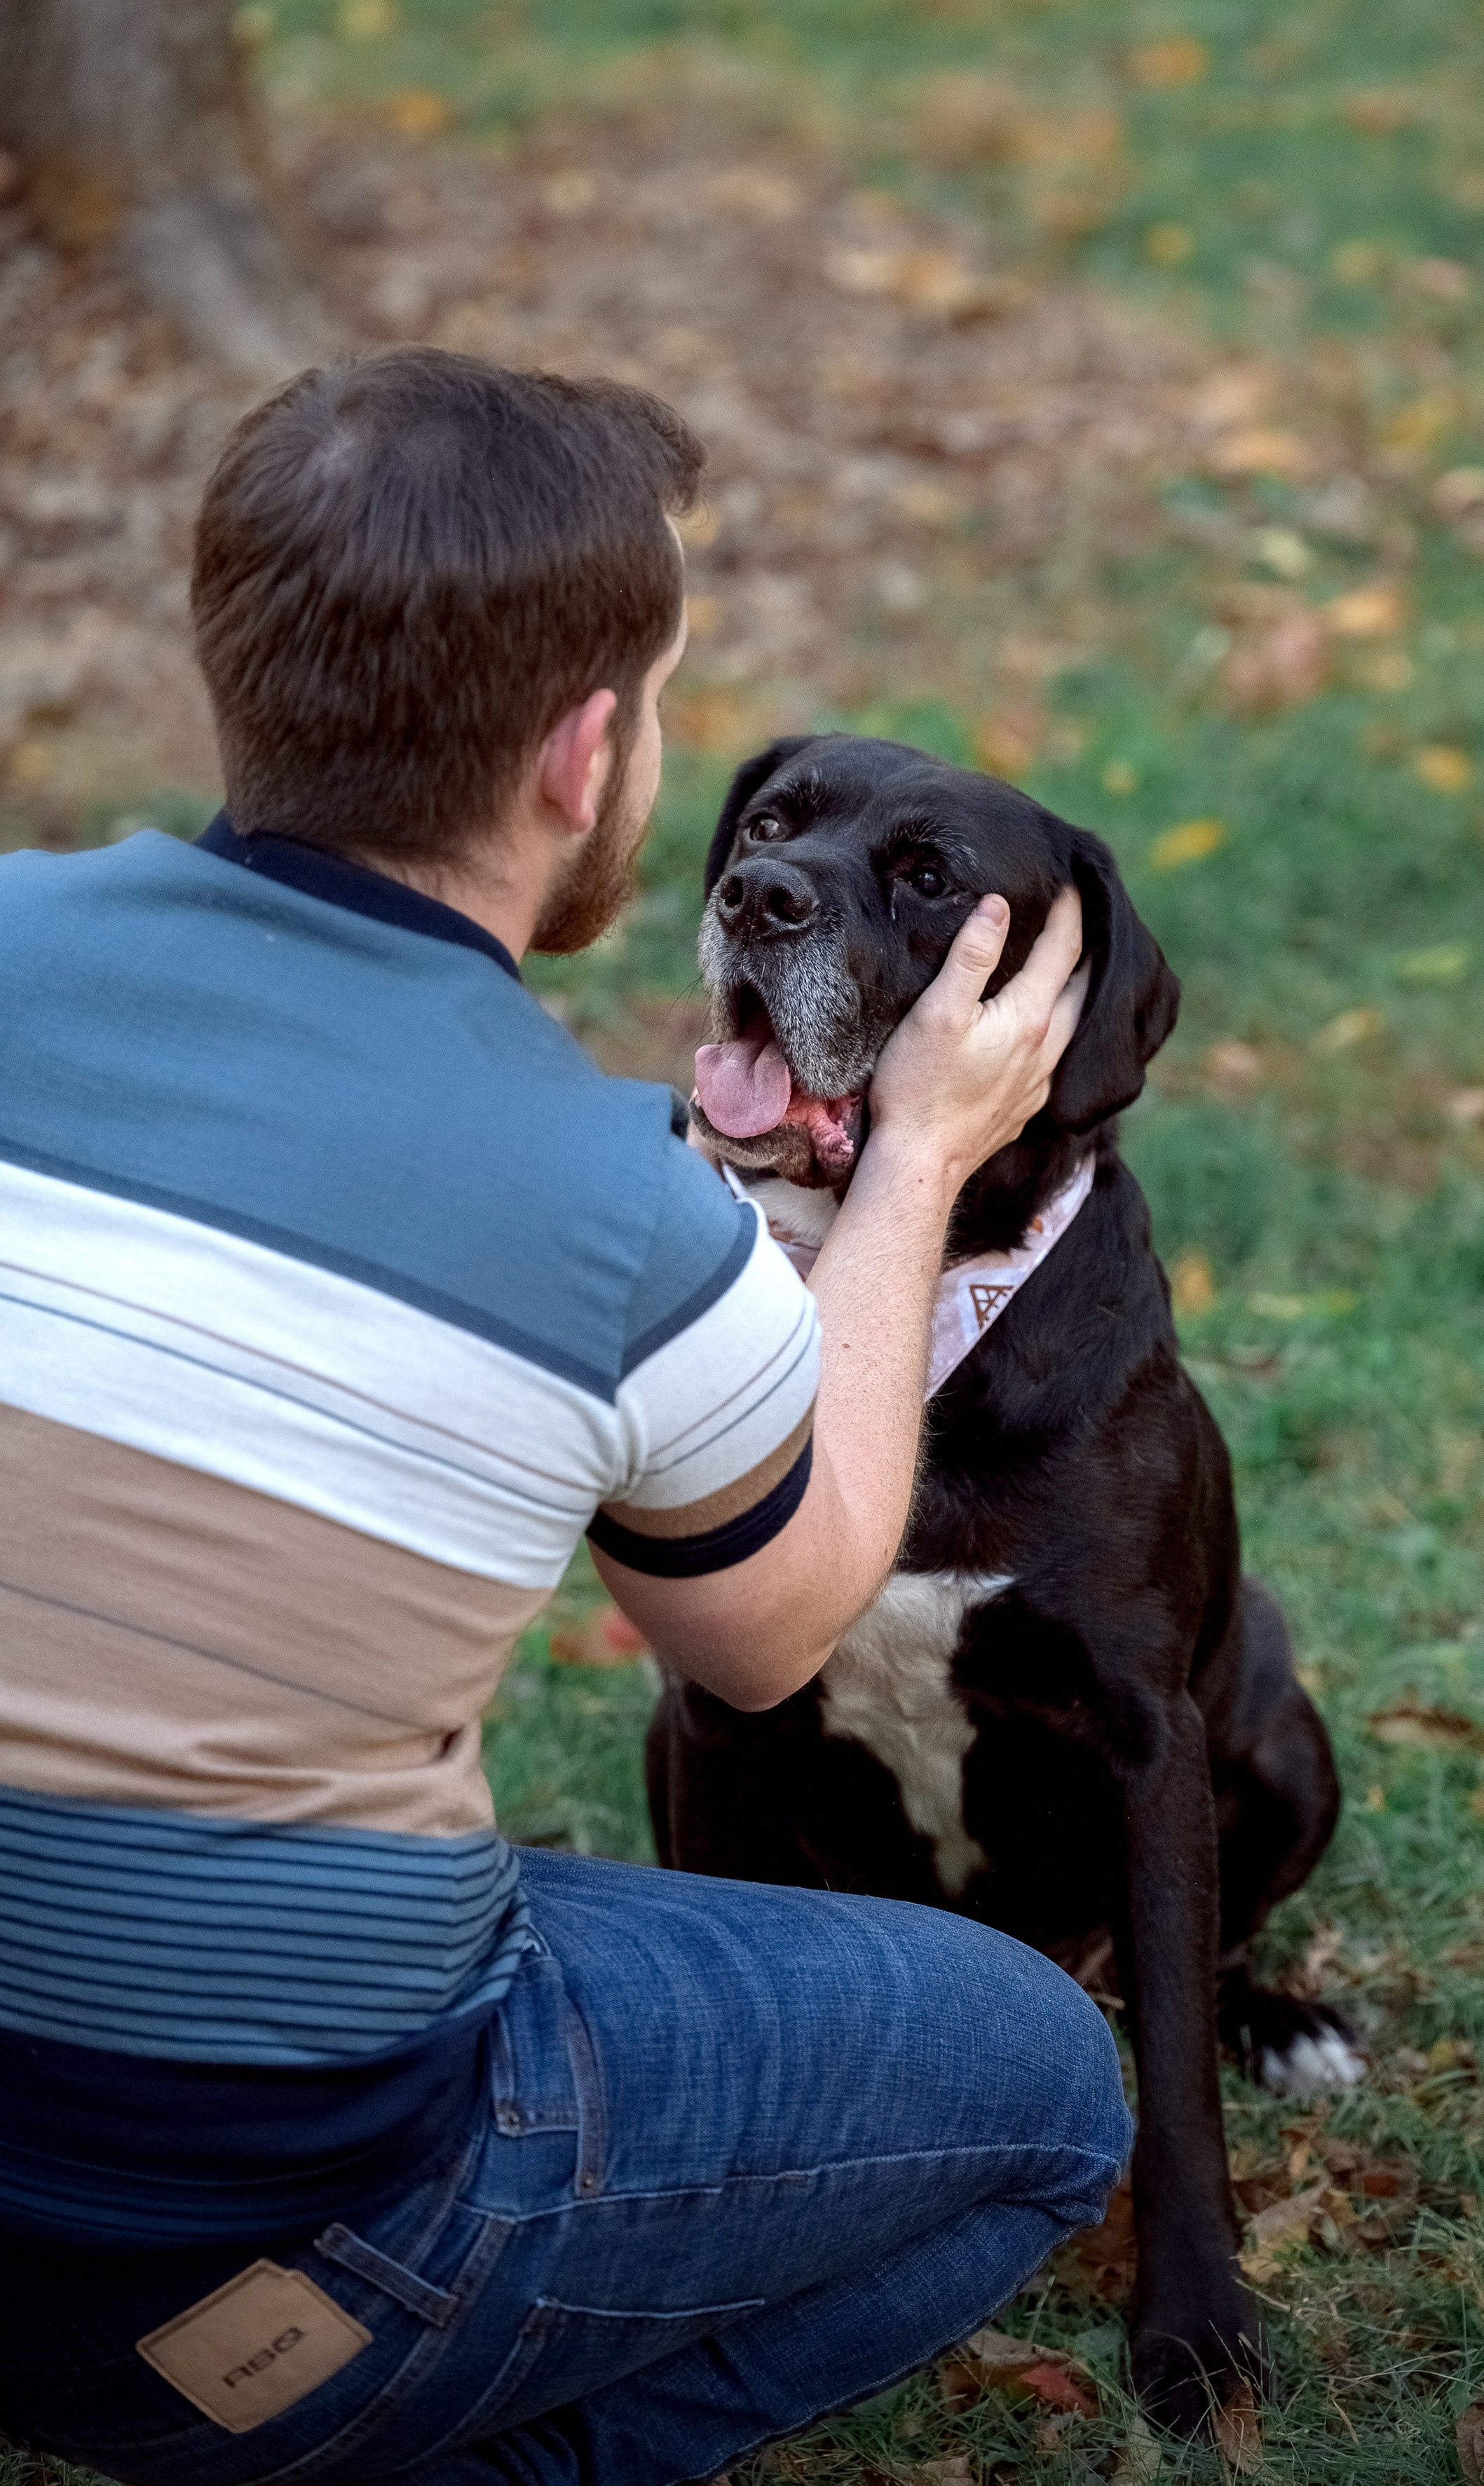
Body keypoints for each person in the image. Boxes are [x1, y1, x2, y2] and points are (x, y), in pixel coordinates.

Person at [0, 348, 1129, 2486]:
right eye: (675, 705)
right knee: (1045, 2087)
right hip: (255, 2236)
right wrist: (906, 1174)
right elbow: (776, 1634)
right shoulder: (629, 1212)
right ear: (587, 752)